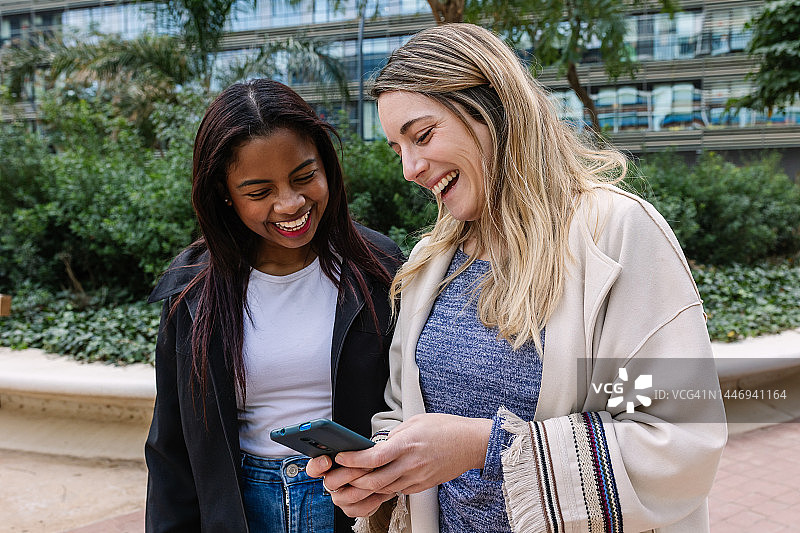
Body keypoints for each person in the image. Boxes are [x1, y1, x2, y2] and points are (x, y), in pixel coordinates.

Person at [307, 23, 727, 533]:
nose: (410, 169)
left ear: (494, 110)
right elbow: (405, 415)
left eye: (422, 135)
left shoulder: (612, 235)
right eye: (398, 149)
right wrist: (375, 475)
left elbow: (676, 437)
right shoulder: (430, 260)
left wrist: (482, 446)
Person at [144, 78, 403, 533]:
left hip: (354, 509)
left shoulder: (379, 268)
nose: (290, 204)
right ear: (226, 195)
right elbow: (171, 446)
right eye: (259, 191)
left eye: (305, 176)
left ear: (327, 165)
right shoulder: (191, 289)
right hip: (239, 510)